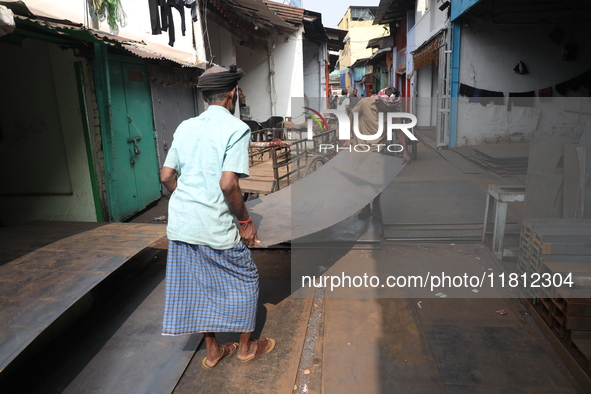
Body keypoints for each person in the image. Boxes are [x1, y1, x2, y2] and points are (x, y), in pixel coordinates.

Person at [160, 64, 275, 370]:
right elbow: (228, 184)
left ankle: (213, 352)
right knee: (246, 279)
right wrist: (246, 223)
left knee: (197, 285)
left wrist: (188, 201)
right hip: (214, 225)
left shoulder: (185, 126)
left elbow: (166, 176)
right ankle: (246, 347)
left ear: (204, 98)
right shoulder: (236, 129)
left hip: (182, 224)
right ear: (232, 95)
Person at [349, 87, 412, 218]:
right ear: (380, 101)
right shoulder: (365, 103)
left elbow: (399, 131)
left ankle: (376, 204)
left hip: (378, 148)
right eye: (388, 107)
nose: (390, 110)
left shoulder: (392, 110)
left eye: (392, 107)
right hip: (359, 147)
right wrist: (346, 137)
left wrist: (405, 151)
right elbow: (351, 117)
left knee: (377, 181)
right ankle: (365, 207)